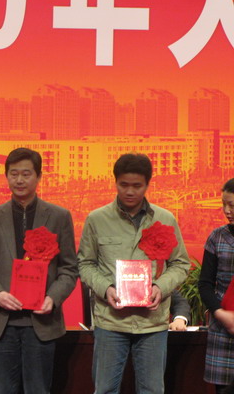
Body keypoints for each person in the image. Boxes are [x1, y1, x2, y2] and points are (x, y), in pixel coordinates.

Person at [78, 153, 190, 393]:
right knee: (104, 390)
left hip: (152, 323)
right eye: (124, 185)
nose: (129, 191)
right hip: (110, 321)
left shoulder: (165, 219)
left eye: (137, 186)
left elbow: (181, 264)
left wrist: (160, 287)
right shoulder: (97, 219)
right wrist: (106, 288)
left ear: (147, 184)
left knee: (152, 390)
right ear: (115, 182)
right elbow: (85, 264)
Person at [0, 147, 78, 394]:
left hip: (41, 322)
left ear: (39, 176)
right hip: (2, 322)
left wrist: (53, 297)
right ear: (6, 176)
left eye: (26, 174)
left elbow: (69, 268)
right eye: (14, 174)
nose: (19, 180)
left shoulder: (59, 216)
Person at [198, 178, 234, 393]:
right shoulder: (217, 237)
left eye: (232, 205)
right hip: (223, 328)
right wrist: (221, 314)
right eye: (224, 204)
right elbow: (204, 284)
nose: (227, 211)